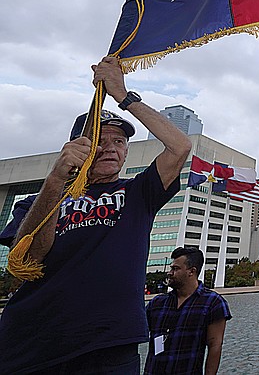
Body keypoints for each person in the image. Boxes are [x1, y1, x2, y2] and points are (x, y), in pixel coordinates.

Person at [0, 55, 191, 374]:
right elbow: (26, 263)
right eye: (99, 141)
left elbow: (179, 146)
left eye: (119, 141)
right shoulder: (37, 200)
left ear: (127, 151)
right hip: (32, 344)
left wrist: (123, 95)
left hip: (110, 344)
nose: (110, 148)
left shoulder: (138, 193)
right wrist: (56, 180)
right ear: (76, 146)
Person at [144, 247, 231, 375]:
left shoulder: (213, 303)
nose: (170, 273)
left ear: (192, 271)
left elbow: (215, 346)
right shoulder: (157, 303)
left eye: (175, 269)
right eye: (171, 268)